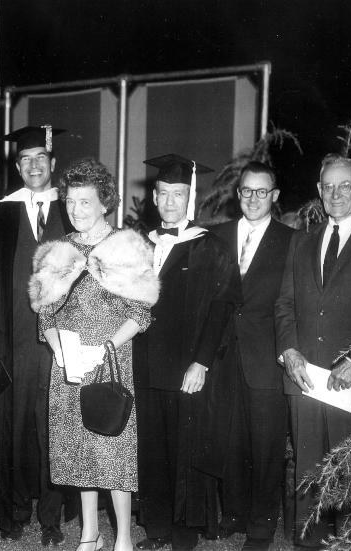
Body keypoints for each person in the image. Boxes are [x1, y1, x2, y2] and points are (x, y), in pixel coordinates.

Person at [29, 158, 159, 551]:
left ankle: (122, 537)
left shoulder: (126, 246)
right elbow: (45, 312)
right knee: (80, 452)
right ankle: (90, 533)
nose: (75, 210)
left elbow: (141, 313)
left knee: (113, 449)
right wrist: (60, 350)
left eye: (85, 202)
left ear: (105, 203)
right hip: (68, 365)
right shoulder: (57, 251)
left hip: (111, 361)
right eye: (69, 202)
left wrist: (106, 348)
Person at [275, 154, 351, 548]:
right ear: (318, 191)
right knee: (310, 474)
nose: (336, 194)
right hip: (306, 378)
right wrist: (289, 351)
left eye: (344, 185)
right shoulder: (301, 242)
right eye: (328, 186)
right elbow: (285, 305)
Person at [134, 154, 239, 551]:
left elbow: (222, 308)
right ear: (155, 199)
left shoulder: (210, 246)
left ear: (189, 198)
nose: (170, 202)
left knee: (184, 449)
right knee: (152, 449)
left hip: (185, 368)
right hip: (144, 367)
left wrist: (202, 361)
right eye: (163, 194)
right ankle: (157, 529)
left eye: (178, 194)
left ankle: (184, 534)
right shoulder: (139, 244)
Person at [0, 125, 74, 543]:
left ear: (53, 164)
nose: (34, 166)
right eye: (25, 160)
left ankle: (52, 518)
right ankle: (12, 510)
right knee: (12, 427)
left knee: (54, 426)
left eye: (41, 159)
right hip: (12, 342)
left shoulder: (74, 211)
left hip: (61, 347)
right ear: (17, 166)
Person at [210, 162, 294, 550]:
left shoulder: (292, 241)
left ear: (275, 196)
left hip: (267, 357)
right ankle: (233, 514)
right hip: (224, 357)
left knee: (265, 443)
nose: (254, 199)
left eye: (262, 192)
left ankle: (261, 525)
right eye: (247, 191)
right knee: (230, 439)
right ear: (237, 193)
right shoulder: (217, 236)